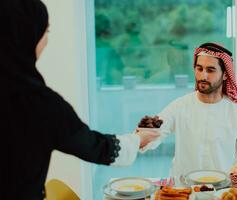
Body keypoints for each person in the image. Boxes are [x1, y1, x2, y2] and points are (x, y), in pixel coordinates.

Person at [0, 0, 159, 199]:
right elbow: (92, 146)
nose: (46, 40)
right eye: (45, 31)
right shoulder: (38, 103)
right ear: (27, 35)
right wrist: (137, 140)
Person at [140, 42, 237, 177]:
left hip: (223, 192)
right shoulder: (180, 106)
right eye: (199, 69)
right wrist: (142, 135)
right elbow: (152, 133)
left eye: (210, 70)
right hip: (184, 191)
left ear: (225, 75)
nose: (203, 76)